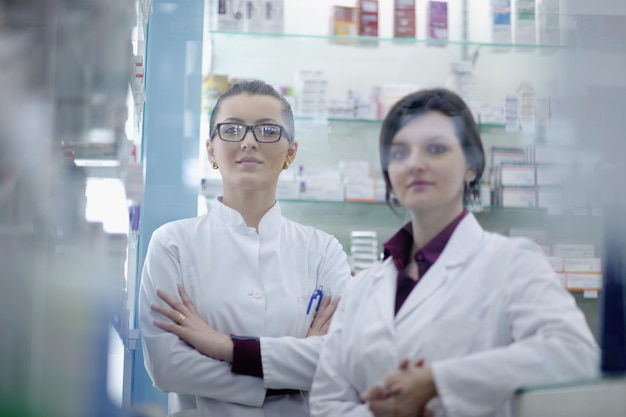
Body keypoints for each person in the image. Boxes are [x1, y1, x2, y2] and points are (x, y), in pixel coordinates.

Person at [309, 88, 599, 417]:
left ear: (472, 166)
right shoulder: (362, 287)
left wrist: (437, 382)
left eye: (436, 149)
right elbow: (326, 404)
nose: (415, 164)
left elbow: (575, 356)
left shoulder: (512, 261)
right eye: (400, 153)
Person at [138, 80, 351, 417]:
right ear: (211, 151)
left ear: (290, 152)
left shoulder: (323, 250)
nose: (249, 141)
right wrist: (291, 376)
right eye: (232, 129)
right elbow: (168, 367)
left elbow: (342, 359)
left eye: (267, 130)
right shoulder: (172, 244)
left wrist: (222, 348)